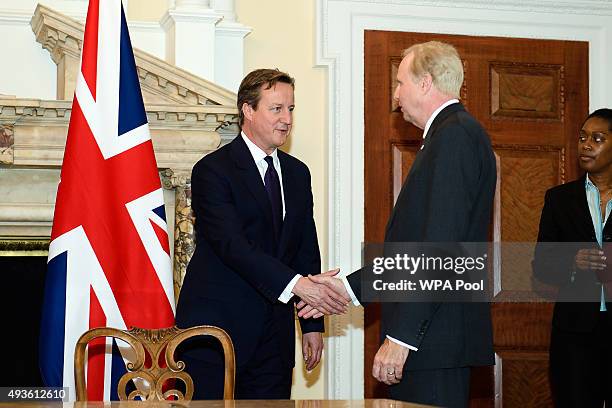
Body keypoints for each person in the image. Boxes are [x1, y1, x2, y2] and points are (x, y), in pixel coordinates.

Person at [298, 41, 496, 407]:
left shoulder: (454, 136)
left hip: (433, 344)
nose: (395, 93)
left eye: (400, 82)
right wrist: (343, 288)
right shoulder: (448, 135)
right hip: (433, 343)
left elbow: (439, 250)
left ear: (425, 83)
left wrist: (401, 338)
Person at [175, 68, 349, 399]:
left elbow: (305, 249)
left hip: (275, 339)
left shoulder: (298, 174)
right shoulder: (212, 171)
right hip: (216, 334)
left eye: (291, 109)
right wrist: (299, 285)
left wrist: (311, 326)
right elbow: (233, 246)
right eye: (276, 109)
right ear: (248, 110)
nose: (286, 119)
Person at [533, 109, 612, 407]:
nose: (586, 145)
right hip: (575, 336)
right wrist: (571, 260)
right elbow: (541, 265)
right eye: (582, 138)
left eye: (598, 138)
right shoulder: (559, 199)